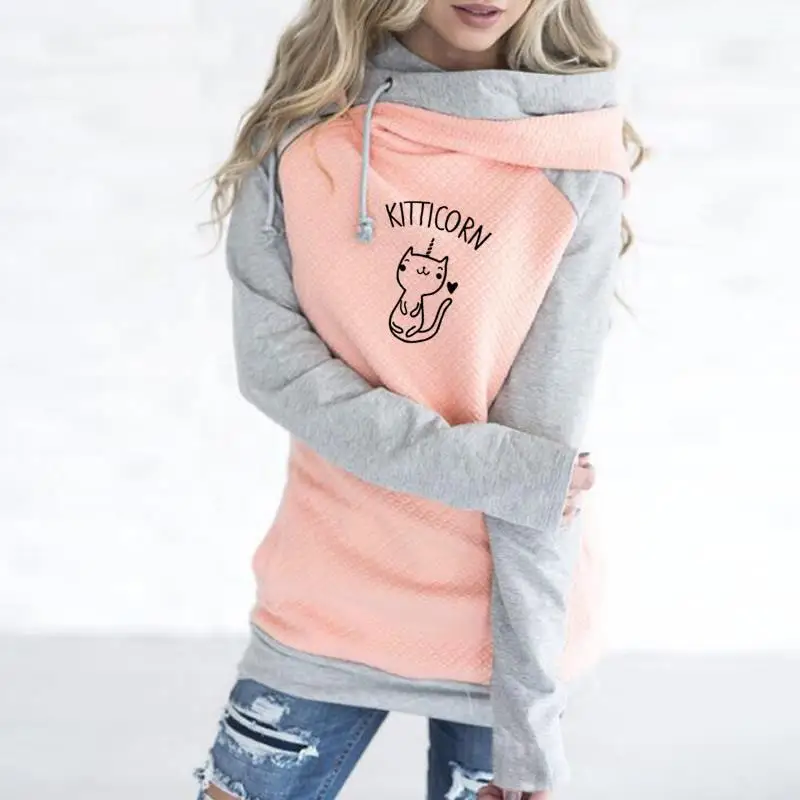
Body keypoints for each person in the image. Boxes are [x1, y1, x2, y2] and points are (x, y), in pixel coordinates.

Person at [194, 1, 643, 798]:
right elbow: (276, 372)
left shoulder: (572, 155)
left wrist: (529, 723)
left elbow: (540, 471)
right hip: (325, 599)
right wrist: (493, 469)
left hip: (501, 634)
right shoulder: (302, 134)